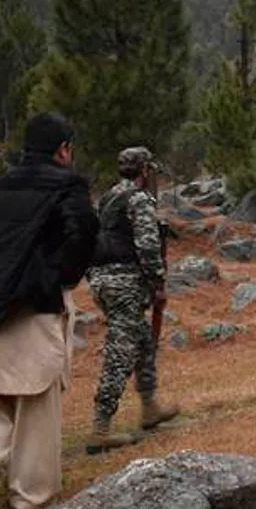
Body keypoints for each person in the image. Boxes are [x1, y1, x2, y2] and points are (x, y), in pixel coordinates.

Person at [0, 112, 98, 509]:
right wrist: (58, 277)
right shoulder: (68, 186)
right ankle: (29, 506)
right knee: (36, 409)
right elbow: (83, 232)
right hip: (35, 311)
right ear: (63, 150)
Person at [86, 146, 181, 454]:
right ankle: (100, 429)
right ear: (145, 171)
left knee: (141, 340)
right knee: (120, 352)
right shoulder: (138, 200)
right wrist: (158, 283)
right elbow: (147, 244)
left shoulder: (109, 197)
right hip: (124, 282)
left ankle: (150, 405)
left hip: (102, 280)